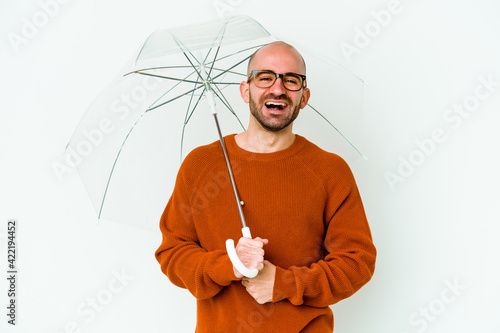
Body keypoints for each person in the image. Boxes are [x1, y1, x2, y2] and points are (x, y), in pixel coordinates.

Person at [155, 41, 376, 332]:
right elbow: (172, 253)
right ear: (246, 89)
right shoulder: (201, 165)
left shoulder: (330, 171)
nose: (278, 88)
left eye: (291, 80)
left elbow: (356, 263)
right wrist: (229, 265)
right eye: (265, 77)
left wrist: (284, 284)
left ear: (304, 96)